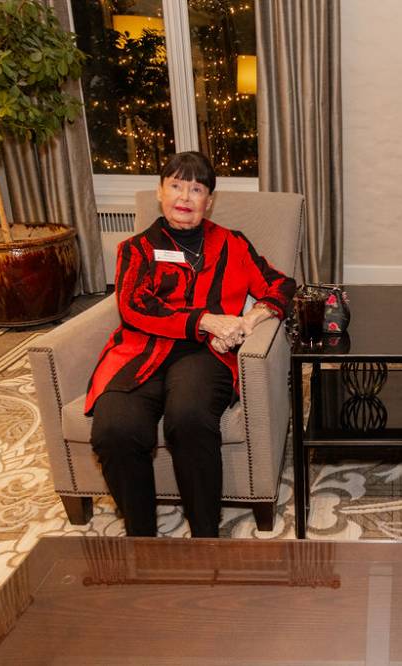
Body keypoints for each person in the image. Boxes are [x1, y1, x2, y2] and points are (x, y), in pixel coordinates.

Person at [84, 151, 295, 537]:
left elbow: (281, 285)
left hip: (205, 355)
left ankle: (204, 534)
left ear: (209, 200)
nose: (185, 197)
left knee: (189, 418)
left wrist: (249, 319)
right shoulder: (136, 249)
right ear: (160, 193)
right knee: (114, 430)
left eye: (196, 188)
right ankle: (141, 536)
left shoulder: (232, 244)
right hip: (140, 352)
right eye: (176, 186)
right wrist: (206, 319)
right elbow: (133, 306)